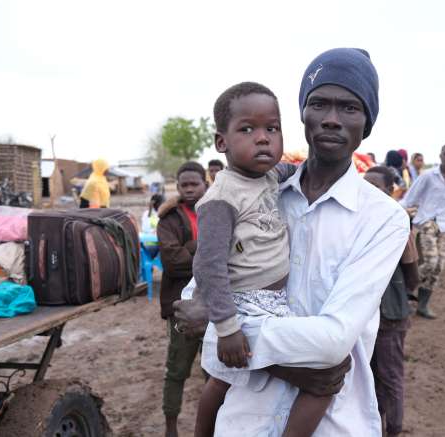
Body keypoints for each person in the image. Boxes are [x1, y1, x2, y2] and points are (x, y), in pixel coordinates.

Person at [173, 47, 409, 436]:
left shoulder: (384, 219)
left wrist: (220, 328)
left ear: (367, 123)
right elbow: (194, 298)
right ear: (302, 114)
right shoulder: (260, 193)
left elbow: (334, 340)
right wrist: (223, 329)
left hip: (333, 422)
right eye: (319, 104)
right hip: (244, 418)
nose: (331, 119)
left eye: (349, 108)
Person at [193, 81, 327, 437]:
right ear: (221, 142)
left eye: (272, 128)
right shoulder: (221, 198)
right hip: (245, 306)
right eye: (247, 129)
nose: (264, 138)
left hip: (272, 301)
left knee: (228, 381)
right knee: (323, 377)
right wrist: (228, 329)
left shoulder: (269, 176)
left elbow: (296, 169)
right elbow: (209, 268)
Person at [364, 166, 419, 437]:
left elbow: (412, 277)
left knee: (391, 379)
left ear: (389, 191)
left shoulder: (398, 223)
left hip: (389, 316)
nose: (367, 191)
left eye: (375, 186)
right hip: (365, 316)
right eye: (365, 185)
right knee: (371, 378)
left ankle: (393, 431)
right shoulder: (357, 221)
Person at [156, 161, 208, 437]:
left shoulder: (219, 210)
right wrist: (205, 249)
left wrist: (189, 250)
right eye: (183, 185)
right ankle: (171, 427)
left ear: (205, 183)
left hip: (216, 304)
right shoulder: (169, 219)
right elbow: (172, 263)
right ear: (177, 187)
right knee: (177, 369)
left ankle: (219, 425)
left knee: (216, 371)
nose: (189, 189)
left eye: (194, 184)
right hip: (181, 307)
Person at [400, 144, 445, 319]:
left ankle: (423, 305)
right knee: (431, 261)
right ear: (440, 156)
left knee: (439, 267)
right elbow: (409, 198)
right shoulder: (428, 176)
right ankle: (404, 290)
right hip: (427, 222)